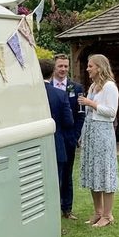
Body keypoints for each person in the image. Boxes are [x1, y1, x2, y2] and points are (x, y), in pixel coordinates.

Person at [77, 54, 119, 227]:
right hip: (91, 131)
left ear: (100, 68)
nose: (88, 69)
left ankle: (108, 216)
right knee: (93, 172)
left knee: (104, 172)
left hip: (103, 133)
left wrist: (90, 103)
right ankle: (98, 212)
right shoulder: (93, 86)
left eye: (90, 66)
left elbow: (111, 112)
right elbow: (88, 113)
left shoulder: (110, 87)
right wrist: (82, 134)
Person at [51, 54, 85, 220]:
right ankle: (53, 208)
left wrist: (76, 135)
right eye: (60, 66)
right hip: (52, 136)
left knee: (67, 174)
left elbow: (80, 115)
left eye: (65, 66)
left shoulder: (76, 87)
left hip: (69, 137)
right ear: (54, 68)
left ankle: (67, 208)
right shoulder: (46, 86)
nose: (63, 69)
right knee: (53, 173)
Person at [41, 59, 74, 201]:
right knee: (56, 181)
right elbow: (69, 121)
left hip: (34, 146)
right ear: (52, 72)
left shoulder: (27, 94)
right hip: (56, 143)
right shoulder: (60, 95)